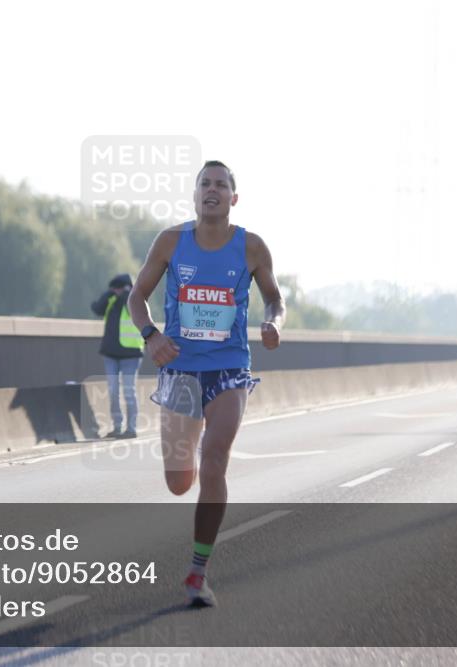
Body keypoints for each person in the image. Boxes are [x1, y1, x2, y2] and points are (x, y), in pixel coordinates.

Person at [127, 160, 285, 607]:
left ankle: (198, 572)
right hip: (180, 369)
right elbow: (136, 297)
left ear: (234, 199)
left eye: (221, 185)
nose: (211, 190)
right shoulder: (170, 242)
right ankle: (192, 460)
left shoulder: (251, 247)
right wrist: (150, 335)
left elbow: (275, 297)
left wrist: (274, 323)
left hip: (229, 368)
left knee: (215, 461)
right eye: (204, 184)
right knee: (179, 482)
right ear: (194, 196)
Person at [91, 273, 145, 439]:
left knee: (129, 391)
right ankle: (117, 426)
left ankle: (131, 428)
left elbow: (132, 310)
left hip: (131, 353)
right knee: (113, 391)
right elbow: (97, 309)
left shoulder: (134, 299)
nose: (116, 291)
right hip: (110, 353)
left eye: (118, 288)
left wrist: (129, 292)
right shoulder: (112, 299)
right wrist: (108, 294)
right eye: (113, 289)